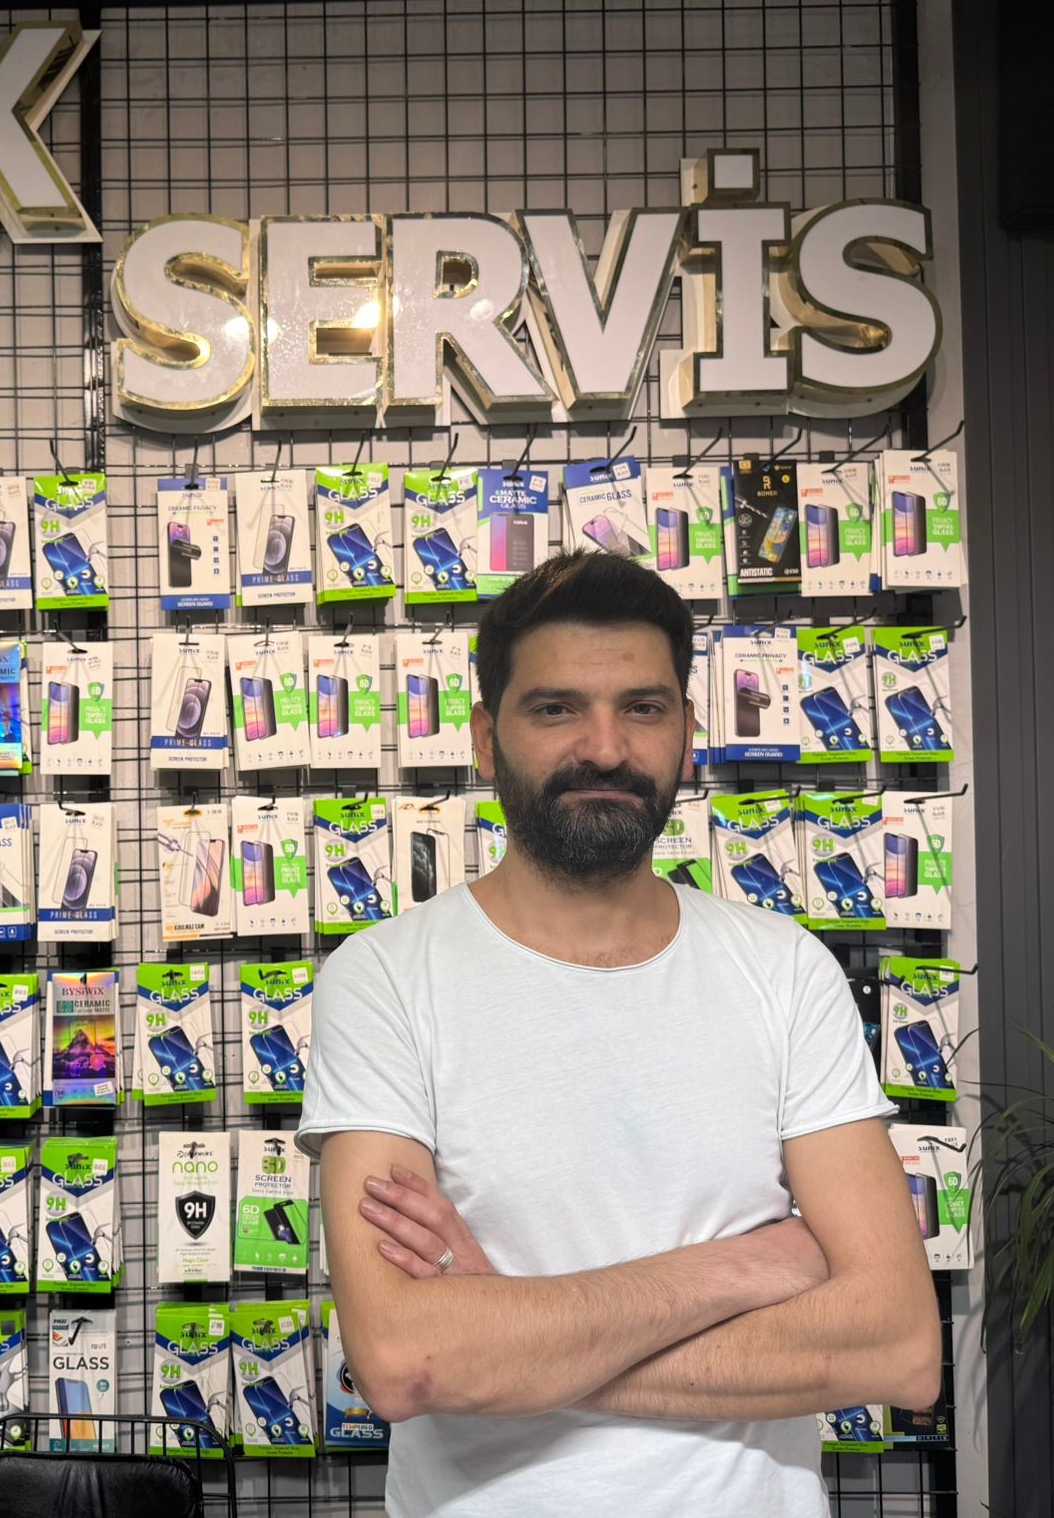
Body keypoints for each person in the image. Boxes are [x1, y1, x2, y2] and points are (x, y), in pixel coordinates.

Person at [296, 552, 939, 1517]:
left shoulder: (785, 970)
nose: (605, 747)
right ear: (486, 739)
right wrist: (748, 1266)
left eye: (642, 708)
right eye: (557, 708)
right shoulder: (384, 979)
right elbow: (407, 1361)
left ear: (687, 733)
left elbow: (898, 1349)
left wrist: (515, 1336)